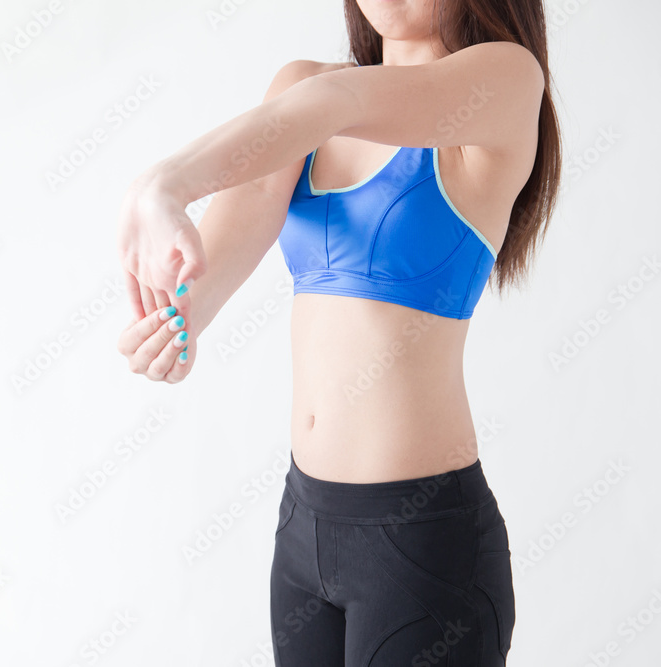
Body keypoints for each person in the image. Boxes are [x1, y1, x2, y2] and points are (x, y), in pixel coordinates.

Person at [116, 0, 561, 664]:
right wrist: (175, 323)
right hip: (304, 531)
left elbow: (342, 102)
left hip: (423, 545)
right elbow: (234, 230)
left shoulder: (503, 80)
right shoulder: (301, 89)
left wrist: (162, 183)